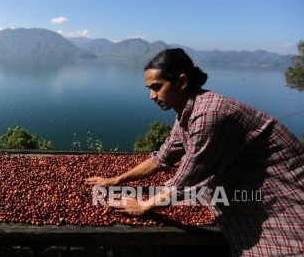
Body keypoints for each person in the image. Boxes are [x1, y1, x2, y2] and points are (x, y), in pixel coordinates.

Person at [85, 48, 304, 256]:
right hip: (248, 200)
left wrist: (143, 206)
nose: (152, 96)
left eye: (157, 87)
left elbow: (185, 180)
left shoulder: (210, 114)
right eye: (149, 89)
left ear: (182, 81)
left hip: (284, 209)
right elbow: (163, 157)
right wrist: (116, 180)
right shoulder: (188, 113)